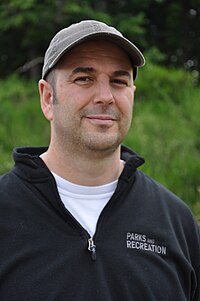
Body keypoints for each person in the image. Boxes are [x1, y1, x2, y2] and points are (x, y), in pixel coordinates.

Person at [0, 19, 199, 301]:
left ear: (132, 95)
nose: (105, 97)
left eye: (119, 81)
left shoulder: (178, 223)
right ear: (47, 98)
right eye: (84, 78)